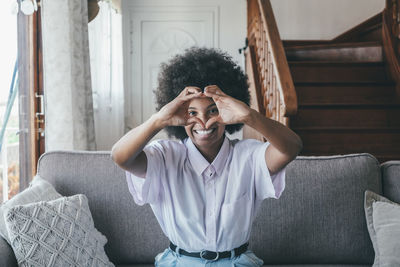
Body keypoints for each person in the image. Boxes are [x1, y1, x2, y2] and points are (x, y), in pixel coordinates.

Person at [111, 47, 303, 266]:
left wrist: (250, 116)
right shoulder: (164, 156)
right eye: (192, 113)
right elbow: (120, 157)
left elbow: (292, 147)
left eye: (213, 111)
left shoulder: (249, 156)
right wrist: (158, 120)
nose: (203, 122)